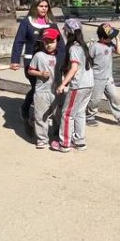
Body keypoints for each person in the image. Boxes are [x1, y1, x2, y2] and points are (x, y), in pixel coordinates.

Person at [10, 0, 55, 130]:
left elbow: (58, 41)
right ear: (35, 7)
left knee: (43, 87)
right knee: (37, 86)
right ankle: (28, 110)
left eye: (46, 6)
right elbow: (19, 42)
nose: (44, 8)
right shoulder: (26, 22)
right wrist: (15, 60)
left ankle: (40, 113)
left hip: (48, 61)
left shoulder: (50, 22)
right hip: (31, 61)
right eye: (41, 6)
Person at [52, 18, 94, 151]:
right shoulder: (83, 46)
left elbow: (74, 68)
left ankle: (64, 143)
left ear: (68, 33)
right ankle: (80, 141)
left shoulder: (74, 48)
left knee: (67, 114)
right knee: (80, 112)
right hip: (89, 84)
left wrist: (63, 84)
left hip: (79, 85)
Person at [86, 23, 120, 127]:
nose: (111, 39)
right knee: (95, 99)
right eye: (110, 37)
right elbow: (88, 61)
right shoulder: (94, 47)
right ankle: (90, 116)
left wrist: (117, 40)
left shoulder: (110, 45)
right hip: (97, 78)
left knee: (114, 97)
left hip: (108, 77)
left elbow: (119, 52)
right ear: (102, 38)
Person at [28, 29, 62, 150]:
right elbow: (30, 70)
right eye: (46, 42)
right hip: (42, 91)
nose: (48, 44)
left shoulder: (60, 56)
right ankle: (42, 139)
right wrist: (40, 73)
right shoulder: (38, 56)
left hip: (57, 91)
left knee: (57, 114)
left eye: (51, 41)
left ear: (57, 41)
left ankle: (58, 134)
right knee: (41, 115)